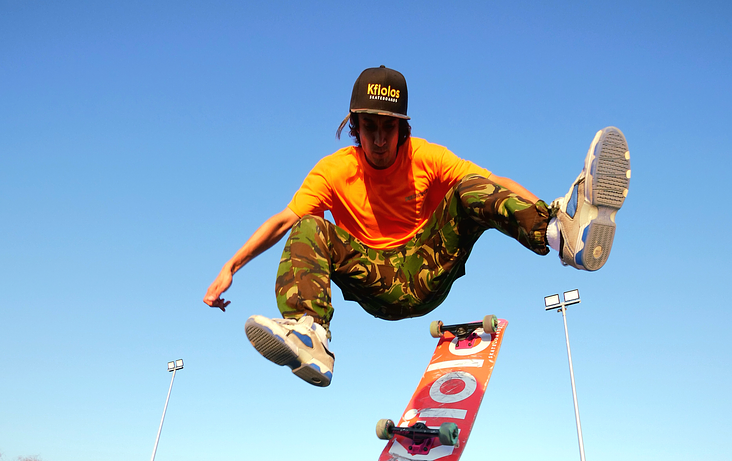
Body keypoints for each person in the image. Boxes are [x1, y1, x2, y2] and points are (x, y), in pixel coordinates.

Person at [203, 66, 630, 387]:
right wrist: (231, 266)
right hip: (374, 279)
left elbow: (494, 184)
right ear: (355, 127)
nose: (379, 140)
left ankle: (560, 235)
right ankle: (309, 334)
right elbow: (284, 221)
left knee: (468, 188)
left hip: (428, 266)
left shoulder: (425, 156)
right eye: (369, 128)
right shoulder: (333, 171)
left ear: (402, 127)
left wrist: (544, 211)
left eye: (389, 128)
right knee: (309, 225)